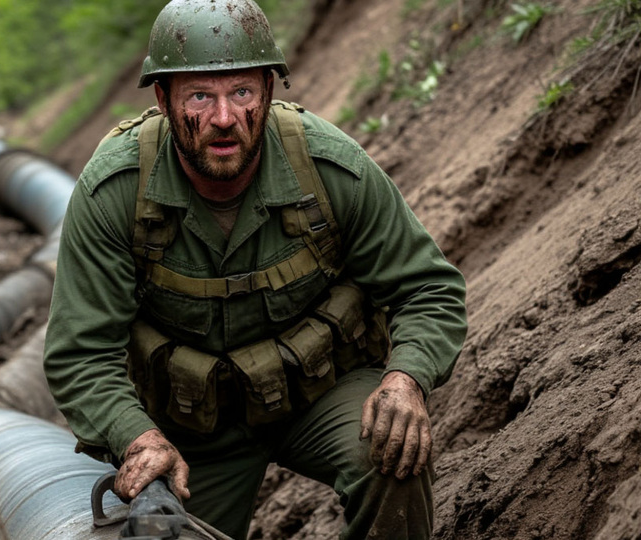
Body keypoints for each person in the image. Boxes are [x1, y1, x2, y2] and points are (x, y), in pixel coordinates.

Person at [43, 0, 467, 538]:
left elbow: (428, 287)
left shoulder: (331, 168)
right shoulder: (115, 191)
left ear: (268, 91)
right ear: (163, 99)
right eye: (200, 95)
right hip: (192, 432)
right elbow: (81, 353)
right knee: (162, 531)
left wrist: (407, 378)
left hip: (321, 395)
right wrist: (138, 439)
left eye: (241, 92)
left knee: (391, 452)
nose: (224, 118)